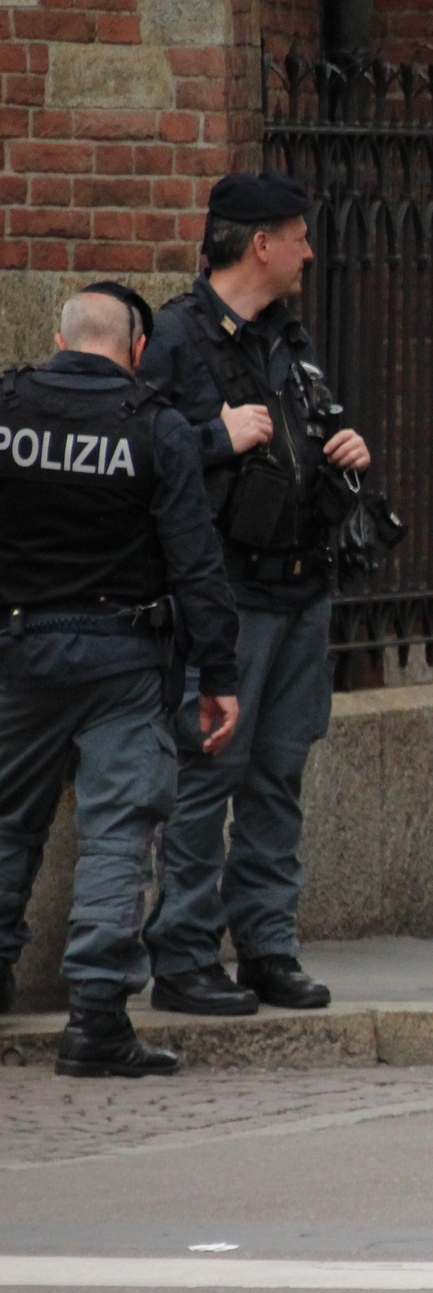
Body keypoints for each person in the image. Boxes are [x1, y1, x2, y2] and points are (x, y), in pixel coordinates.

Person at [142, 171, 373, 1017]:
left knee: (279, 774)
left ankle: (267, 946)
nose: (311, 251)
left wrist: (338, 445)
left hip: (301, 587)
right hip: (227, 595)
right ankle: (184, 954)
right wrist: (216, 435)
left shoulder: (287, 335)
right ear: (261, 243)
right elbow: (142, 457)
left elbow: (303, 434)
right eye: (300, 235)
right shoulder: (176, 335)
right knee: (209, 775)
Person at [0, 286, 242, 1075]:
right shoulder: (157, 427)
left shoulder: (6, 409)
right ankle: (96, 1018)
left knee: (6, 820)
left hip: (17, 646)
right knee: (116, 833)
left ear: (56, 338)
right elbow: (195, 560)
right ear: (138, 350)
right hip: (122, 656)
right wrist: (218, 671)